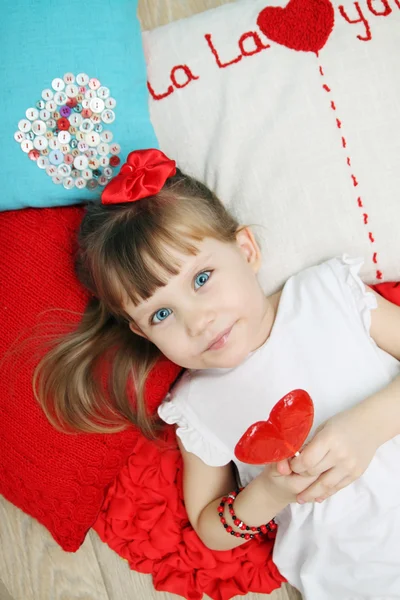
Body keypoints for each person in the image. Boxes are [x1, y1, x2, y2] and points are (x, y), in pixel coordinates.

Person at [34, 148, 400, 599]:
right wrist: (268, 493)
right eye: (162, 313)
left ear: (246, 251)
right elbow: (210, 526)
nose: (198, 321)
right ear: (142, 333)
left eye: (202, 279)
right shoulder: (196, 404)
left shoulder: (324, 294)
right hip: (357, 577)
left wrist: (369, 426)